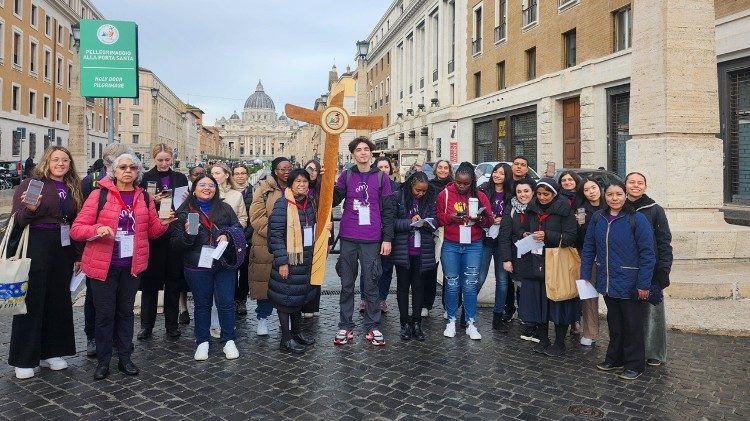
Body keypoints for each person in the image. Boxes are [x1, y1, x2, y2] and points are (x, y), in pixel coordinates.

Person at [71, 153, 173, 380]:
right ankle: (103, 361)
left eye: (132, 167)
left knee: (125, 313)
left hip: (131, 266)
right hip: (103, 266)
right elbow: (77, 229)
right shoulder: (99, 195)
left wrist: (164, 224)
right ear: (114, 171)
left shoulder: (145, 197)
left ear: (138, 172)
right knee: (105, 315)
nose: (128, 171)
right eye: (123, 167)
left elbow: (153, 232)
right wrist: (96, 229)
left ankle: (125, 359)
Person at [9, 146, 82, 380]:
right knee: (32, 300)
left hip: (63, 248)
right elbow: (18, 219)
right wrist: (31, 210)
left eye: (65, 160)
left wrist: (78, 254)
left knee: (58, 300)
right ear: (47, 162)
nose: (61, 163)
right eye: (56, 159)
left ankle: (53, 352)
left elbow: (75, 222)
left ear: (70, 164)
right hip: (37, 245)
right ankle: (24, 359)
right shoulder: (33, 184)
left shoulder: (73, 188)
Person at [581, 181, 656, 380]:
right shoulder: (598, 218)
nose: (614, 198)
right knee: (615, 323)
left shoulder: (636, 219)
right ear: (605, 196)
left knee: (632, 324)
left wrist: (643, 283)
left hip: (630, 281)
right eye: (610, 194)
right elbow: (589, 248)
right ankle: (615, 358)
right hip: (608, 280)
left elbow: (648, 253)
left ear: (625, 196)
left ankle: (635, 364)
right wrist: (585, 274)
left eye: (619, 194)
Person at [171, 174, 243, 361]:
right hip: (197, 265)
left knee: (226, 303)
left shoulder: (225, 208)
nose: (207, 188)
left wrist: (227, 235)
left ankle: (229, 340)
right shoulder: (184, 211)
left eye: (211, 185)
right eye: (202, 184)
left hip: (223, 263)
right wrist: (188, 235)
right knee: (202, 305)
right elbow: (175, 245)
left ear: (216, 189)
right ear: (193, 189)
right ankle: (202, 341)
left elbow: (237, 228)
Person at [332, 137, 395, 346]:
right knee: (347, 284)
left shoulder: (381, 178)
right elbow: (332, 199)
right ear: (353, 155)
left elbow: (388, 211)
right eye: (358, 150)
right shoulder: (346, 175)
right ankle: (345, 325)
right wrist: (321, 181)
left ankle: (372, 326)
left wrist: (387, 239)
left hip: (371, 239)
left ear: (371, 153)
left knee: (371, 284)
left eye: (366, 149)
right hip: (349, 237)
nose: (363, 153)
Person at [506, 178, 578, 357]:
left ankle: (559, 342)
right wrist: (526, 233)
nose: (542, 197)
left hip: (556, 263)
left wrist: (547, 235)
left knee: (558, 302)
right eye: (539, 194)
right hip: (534, 262)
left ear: (554, 193)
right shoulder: (532, 208)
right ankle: (543, 338)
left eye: (546, 194)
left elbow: (571, 236)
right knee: (540, 303)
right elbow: (522, 228)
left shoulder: (564, 210)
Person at [79, 142, 133, 358]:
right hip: (96, 247)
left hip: (123, 252)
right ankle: (94, 337)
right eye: (117, 163)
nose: (124, 167)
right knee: (95, 298)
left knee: (121, 302)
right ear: (107, 163)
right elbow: (80, 218)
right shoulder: (91, 182)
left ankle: (117, 339)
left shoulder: (133, 180)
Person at [268, 169, 330, 353]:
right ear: (291, 184)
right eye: (297, 182)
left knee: (298, 298)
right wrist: (283, 262)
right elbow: (276, 236)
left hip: (305, 259)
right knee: (285, 300)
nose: (301, 185)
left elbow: (315, 224)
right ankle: (286, 339)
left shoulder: (309, 202)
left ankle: (296, 333)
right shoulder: (282, 204)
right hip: (289, 259)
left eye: (304, 182)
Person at [436, 162, 493, 340]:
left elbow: (489, 221)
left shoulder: (481, 196)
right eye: (458, 182)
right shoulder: (444, 194)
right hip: (451, 244)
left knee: (470, 284)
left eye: (465, 183)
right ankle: (451, 320)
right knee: (452, 284)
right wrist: (450, 218)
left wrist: (481, 218)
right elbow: (438, 218)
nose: (461, 186)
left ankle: (470, 322)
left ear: (472, 182)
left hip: (473, 245)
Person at [137, 144, 189, 340]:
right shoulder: (145, 178)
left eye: (167, 159)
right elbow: (138, 204)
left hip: (174, 232)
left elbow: (186, 204)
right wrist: (152, 201)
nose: (164, 163)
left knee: (173, 282)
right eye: (160, 160)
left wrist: (185, 200)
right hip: (153, 235)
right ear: (154, 159)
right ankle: (146, 325)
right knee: (150, 283)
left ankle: (171, 324)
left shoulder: (180, 178)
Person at [625, 172, 673, 367]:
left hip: (650, 267)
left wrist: (664, 270)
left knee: (652, 313)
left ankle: (654, 352)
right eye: (632, 182)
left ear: (645, 186)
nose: (636, 186)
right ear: (625, 184)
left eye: (640, 183)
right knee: (629, 313)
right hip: (626, 268)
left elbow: (664, 241)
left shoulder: (655, 209)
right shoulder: (618, 206)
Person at [249, 157, 292, 336]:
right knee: (264, 282)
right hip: (266, 243)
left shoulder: (296, 186)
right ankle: (263, 318)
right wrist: (277, 234)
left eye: (289, 168)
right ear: (275, 171)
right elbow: (257, 217)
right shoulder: (263, 189)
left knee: (289, 283)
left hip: (291, 242)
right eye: (282, 169)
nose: (286, 171)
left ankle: (287, 319)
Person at [392, 172, 437, 341]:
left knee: (419, 287)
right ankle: (404, 323)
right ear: (411, 185)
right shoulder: (398, 197)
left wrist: (426, 222)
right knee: (403, 287)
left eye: (424, 191)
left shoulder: (430, 198)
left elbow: (436, 221)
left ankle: (417, 323)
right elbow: (392, 222)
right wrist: (409, 221)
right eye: (418, 190)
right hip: (403, 249)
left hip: (422, 250)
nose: (420, 193)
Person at [208, 163, 248, 336]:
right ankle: (213, 322)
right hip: (208, 245)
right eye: (212, 173)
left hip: (229, 245)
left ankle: (227, 322)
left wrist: (231, 234)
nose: (214, 176)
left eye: (217, 173)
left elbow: (242, 219)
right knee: (209, 285)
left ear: (226, 175)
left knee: (226, 286)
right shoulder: (206, 193)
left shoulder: (236, 195)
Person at [358, 156, 400, 314]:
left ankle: (382, 299)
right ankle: (364, 298)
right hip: (370, 232)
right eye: (380, 167)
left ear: (390, 169)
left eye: (386, 167)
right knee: (367, 267)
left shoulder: (397, 187)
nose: (383, 170)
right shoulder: (368, 185)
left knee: (387, 268)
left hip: (389, 232)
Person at [478, 162, 513, 332]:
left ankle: (498, 317)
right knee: (480, 277)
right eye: (495, 172)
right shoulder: (484, 190)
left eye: (501, 173)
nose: (497, 175)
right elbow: (477, 213)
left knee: (502, 280)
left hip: (503, 242)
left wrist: (503, 220)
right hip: (485, 239)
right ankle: (466, 312)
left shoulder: (511, 194)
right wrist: (490, 219)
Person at [499, 178, 536, 338]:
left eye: (526, 191)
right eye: (519, 191)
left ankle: (534, 319)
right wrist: (507, 259)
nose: (523, 195)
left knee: (535, 289)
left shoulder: (539, 207)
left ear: (533, 192)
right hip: (518, 255)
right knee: (521, 287)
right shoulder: (511, 208)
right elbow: (504, 235)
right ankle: (525, 317)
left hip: (537, 256)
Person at [422, 159, 453, 317]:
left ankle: (449, 306)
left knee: (449, 270)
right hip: (433, 231)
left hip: (450, 231)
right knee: (430, 268)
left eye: (445, 168)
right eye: (440, 167)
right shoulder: (430, 185)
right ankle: (426, 304)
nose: (442, 170)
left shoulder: (454, 186)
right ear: (435, 170)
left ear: (449, 170)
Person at [575, 178, 605, 346]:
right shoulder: (580, 210)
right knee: (589, 296)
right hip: (588, 255)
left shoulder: (609, 205)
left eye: (593, 187)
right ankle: (590, 332)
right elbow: (580, 236)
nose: (591, 191)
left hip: (609, 256)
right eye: (586, 190)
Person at [178, 165, 207, 326]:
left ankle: (201, 311)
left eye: (202, 174)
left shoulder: (208, 189)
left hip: (205, 242)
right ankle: (183, 309)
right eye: (196, 174)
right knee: (183, 278)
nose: (199, 176)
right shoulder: (184, 194)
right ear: (190, 177)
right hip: (188, 238)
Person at [557, 170, 583, 335]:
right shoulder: (559, 198)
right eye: (564, 180)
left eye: (570, 179)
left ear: (576, 181)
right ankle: (565, 318)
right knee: (565, 283)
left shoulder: (582, 197)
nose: (567, 182)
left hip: (580, 244)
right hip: (564, 244)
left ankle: (576, 319)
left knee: (579, 284)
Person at [301, 159, 325, 319]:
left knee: (316, 270)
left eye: (315, 170)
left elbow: (327, 214)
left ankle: (311, 305)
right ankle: (299, 303)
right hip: (299, 235)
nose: (312, 172)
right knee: (300, 271)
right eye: (309, 168)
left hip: (318, 235)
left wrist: (328, 240)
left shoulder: (322, 191)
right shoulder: (298, 187)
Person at [232, 163, 253, 316]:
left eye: (243, 173)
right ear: (232, 176)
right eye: (237, 173)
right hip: (231, 236)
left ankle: (241, 299)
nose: (240, 176)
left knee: (245, 270)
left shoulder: (254, 191)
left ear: (247, 174)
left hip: (249, 236)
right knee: (231, 270)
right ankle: (232, 298)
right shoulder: (227, 192)